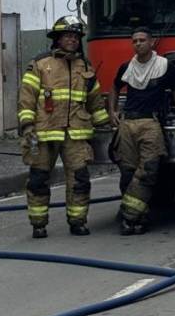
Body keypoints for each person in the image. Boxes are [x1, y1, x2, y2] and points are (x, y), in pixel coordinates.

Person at [17, 16, 110, 238]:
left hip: (75, 134)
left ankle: (77, 221)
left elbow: (95, 100)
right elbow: (27, 96)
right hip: (43, 132)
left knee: (80, 180)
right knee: (38, 178)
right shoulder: (40, 64)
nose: (72, 40)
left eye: (76, 36)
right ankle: (38, 224)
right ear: (57, 39)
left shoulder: (85, 66)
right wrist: (27, 124)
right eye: (67, 36)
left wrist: (104, 125)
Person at [107, 27, 175, 235]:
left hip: (151, 124)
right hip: (128, 124)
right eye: (134, 41)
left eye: (142, 40)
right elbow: (114, 87)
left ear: (152, 42)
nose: (138, 44)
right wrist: (112, 111)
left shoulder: (164, 66)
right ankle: (138, 217)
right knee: (127, 172)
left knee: (149, 171)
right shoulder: (127, 67)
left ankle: (129, 215)